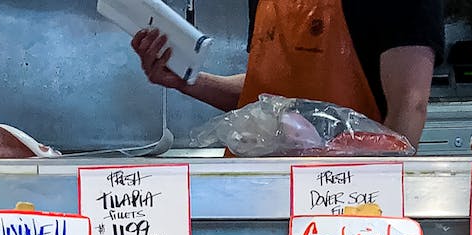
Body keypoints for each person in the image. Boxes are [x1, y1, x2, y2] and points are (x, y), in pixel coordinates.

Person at [131, 0, 442, 145]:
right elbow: (265, 93)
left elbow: (408, 110)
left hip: (341, 201)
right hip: (260, 194)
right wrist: (188, 81)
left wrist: (366, 204)